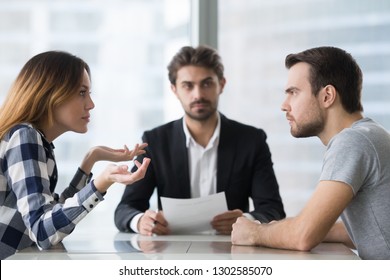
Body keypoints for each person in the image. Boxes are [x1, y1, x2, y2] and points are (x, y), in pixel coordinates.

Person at [231, 46, 390, 260]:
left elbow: (303, 237)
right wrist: (290, 228)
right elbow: (374, 229)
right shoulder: (371, 134)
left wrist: (254, 232)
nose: (284, 105)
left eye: (293, 93)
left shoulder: (352, 142)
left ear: (327, 96)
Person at [114, 45, 285, 236]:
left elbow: (273, 209)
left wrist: (247, 221)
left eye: (206, 83)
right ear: (174, 90)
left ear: (221, 84)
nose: (198, 95)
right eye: (188, 85)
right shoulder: (155, 142)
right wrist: (140, 222)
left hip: (232, 253)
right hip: (173, 254)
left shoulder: (252, 141)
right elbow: (125, 209)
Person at [0, 51, 151, 260]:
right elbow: (42, 231)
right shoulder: (25, 137)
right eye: (82, 93)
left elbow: (49, 215)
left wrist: (91, 158)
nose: (90, 104)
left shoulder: (34, 140)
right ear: (51, 93)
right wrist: (101, 183)